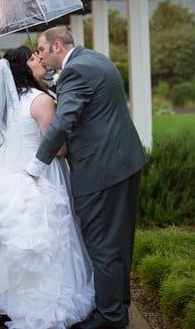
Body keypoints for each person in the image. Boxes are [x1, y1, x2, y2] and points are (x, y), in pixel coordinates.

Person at [0, 46, 95, 329]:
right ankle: (50, 306)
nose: (40, 58)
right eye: (33, 57)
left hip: (15, 178)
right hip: (43, 176)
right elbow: (55, 147)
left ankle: (18, 305)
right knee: (53, 241)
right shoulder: (41, 100)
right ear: (22, 67)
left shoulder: (6, 104)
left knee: (21, 248)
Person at [26, 27, 146, 329]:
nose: (39, 55)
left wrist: (35, 166)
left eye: (42, 50)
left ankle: (108, 318)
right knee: (119, 244)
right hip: (124, 164)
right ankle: (118, 310)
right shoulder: (93, 60)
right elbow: (81, 101)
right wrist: (50, 81)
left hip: (99, 172)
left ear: (55, 46)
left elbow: (64, 121)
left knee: (102, 247)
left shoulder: (75, 73)